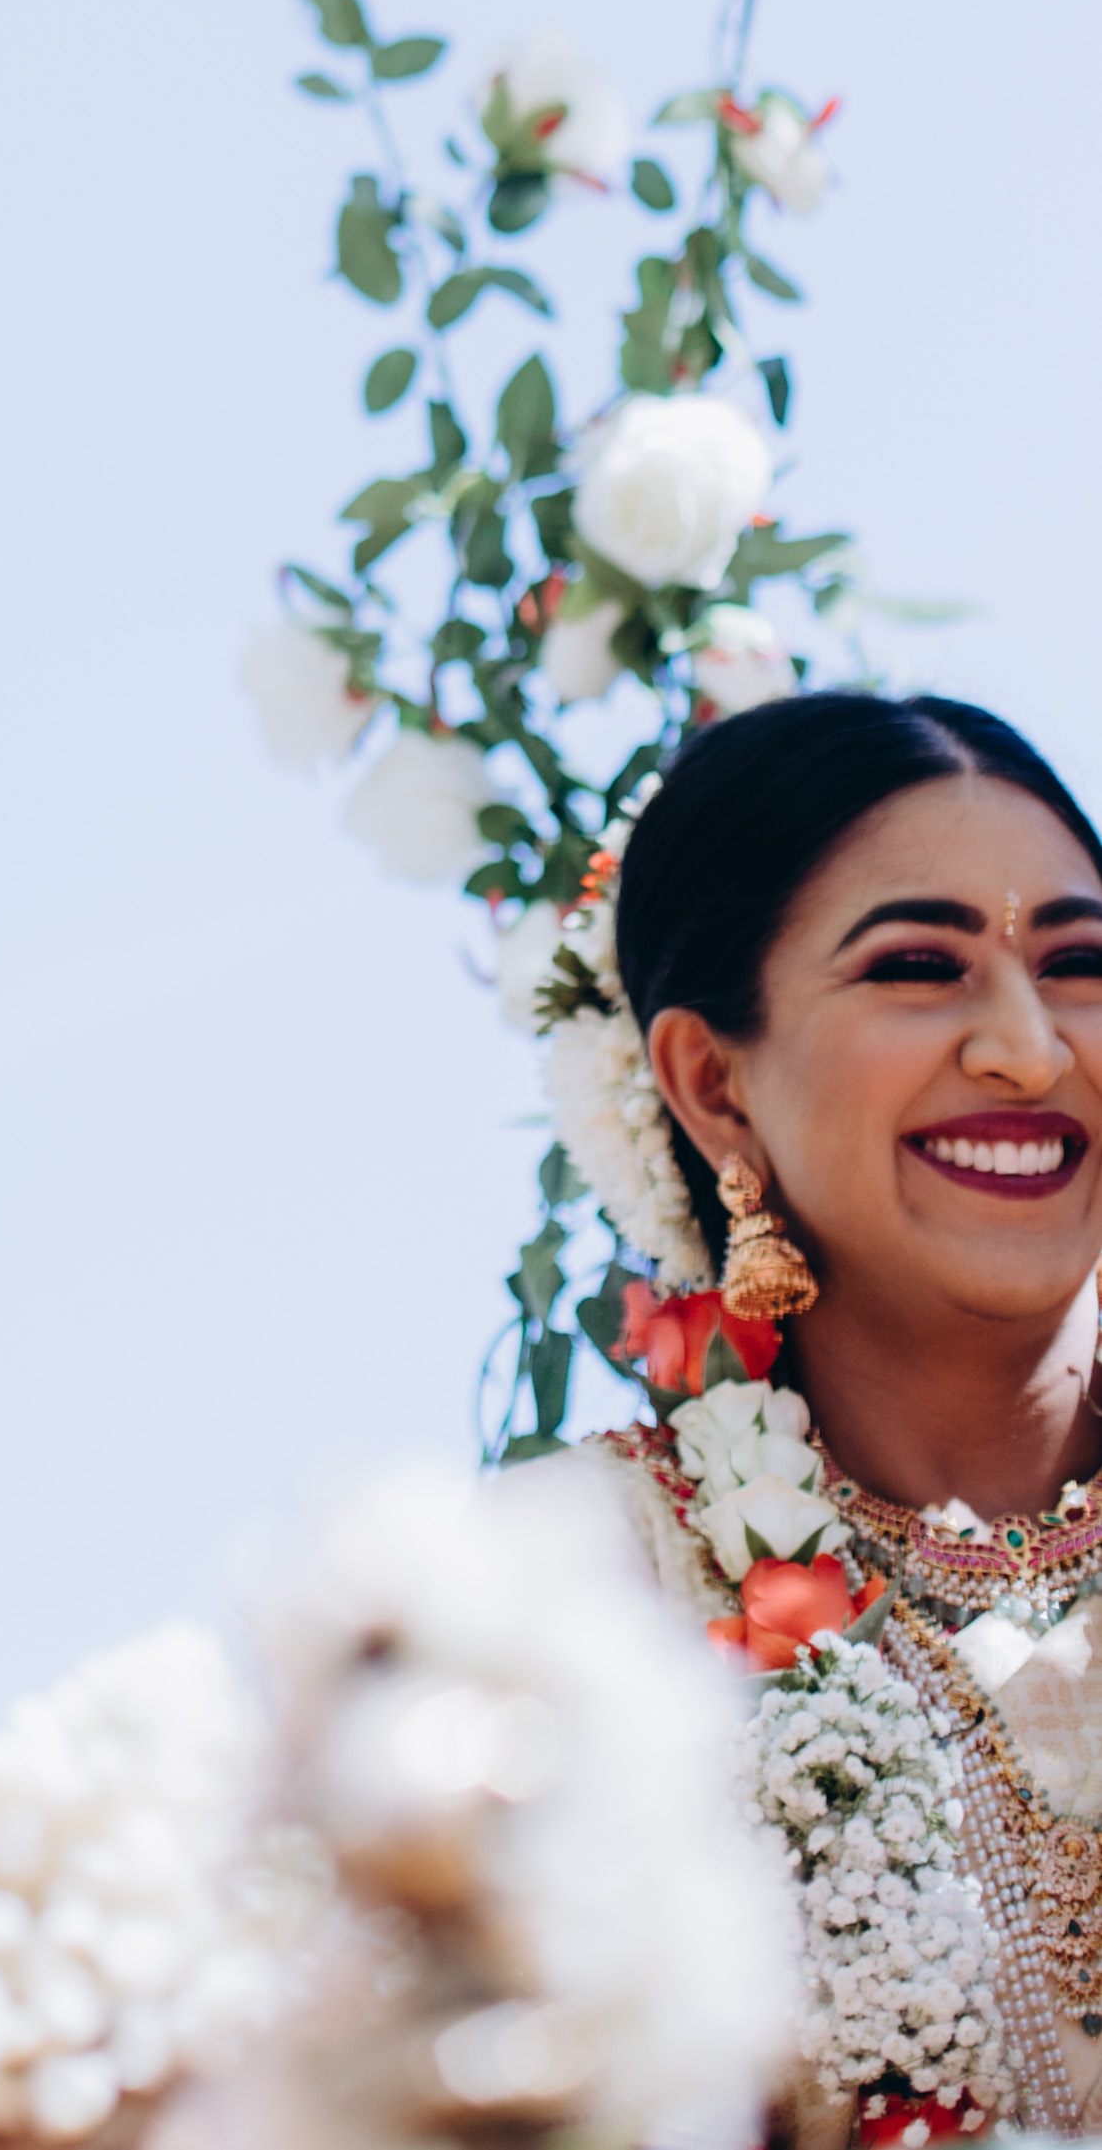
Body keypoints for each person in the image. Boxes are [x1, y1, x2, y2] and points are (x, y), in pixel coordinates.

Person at [560, 686, 1102, 2138]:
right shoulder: (587, 1600)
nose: (1031, 1049)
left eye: (1081, 961)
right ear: (713, 1082)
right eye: (919, 966)